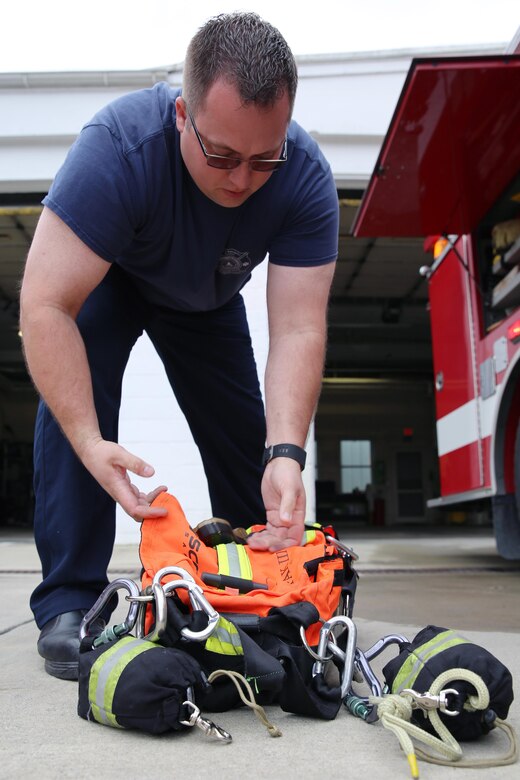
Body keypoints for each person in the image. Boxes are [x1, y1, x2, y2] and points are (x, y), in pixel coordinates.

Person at [19, 11, 339, 680]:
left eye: (264, 159)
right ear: (180, 116)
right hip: (116, 277)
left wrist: (288, 452)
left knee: (252, 448)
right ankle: (70, 602)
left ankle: (258, 586)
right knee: (79, 404)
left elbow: (300, 328)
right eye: (221, 155)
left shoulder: (305, 176)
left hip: (207, 300)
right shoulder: (118, 148)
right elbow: (45, 304)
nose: (241, 180)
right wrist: (88, 440)